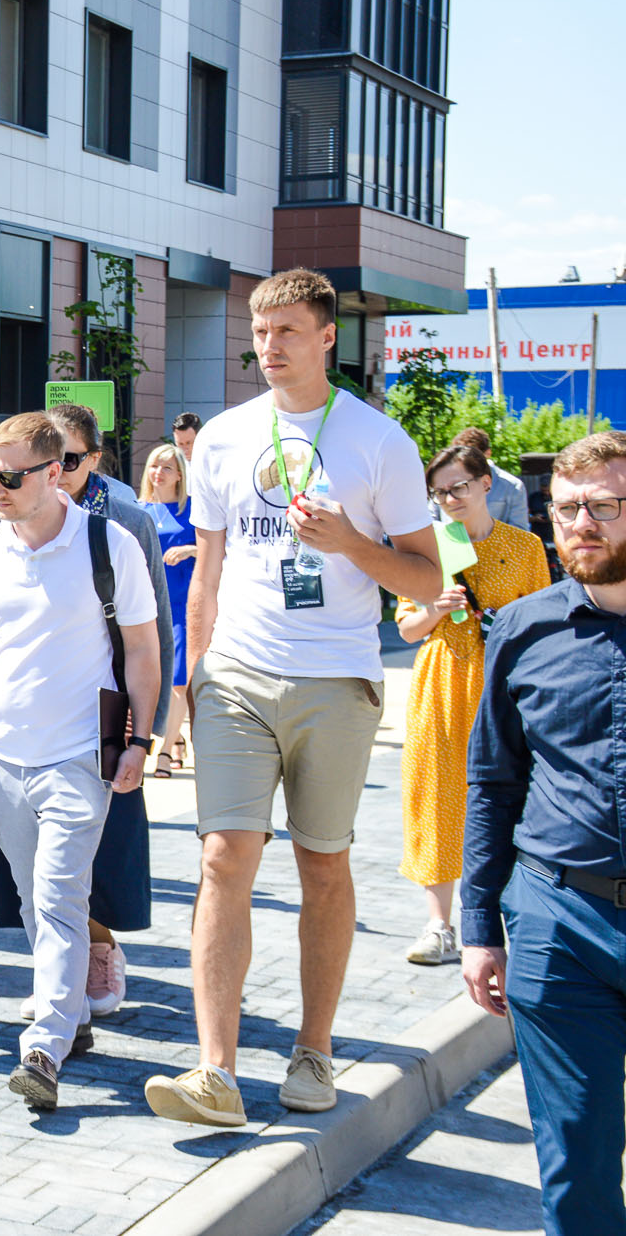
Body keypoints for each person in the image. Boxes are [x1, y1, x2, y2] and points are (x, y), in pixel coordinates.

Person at [144, 269, 442, 1126]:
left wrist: (351, 542)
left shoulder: (378, 442)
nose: (268, 349)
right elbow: (207, 569)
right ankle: (217, 1073)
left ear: (324, 339)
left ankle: (314, 1051)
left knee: (322, 864)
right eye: (258, 333)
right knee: (223, 858)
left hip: (338, 679)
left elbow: (426, 574)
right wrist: (194, 675)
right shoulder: (228, 440)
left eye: (285, 334)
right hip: (236, 673)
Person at [0, 412, 161, 1108]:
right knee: (36, 899)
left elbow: (145, 652)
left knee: (61, 896)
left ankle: (45, 1043)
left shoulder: (107, 543)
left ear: (54, 470)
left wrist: (143, 739)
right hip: (3, 754)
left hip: (78, 756)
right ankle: (72, 1015)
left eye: (9, 475)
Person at [462, 431, 626, 1236]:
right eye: (566, 509)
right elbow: (493, 784)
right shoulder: (521, 630)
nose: (581, 525)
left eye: (603, 506)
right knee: (577, 1165)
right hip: (560, 927)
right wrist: (478, 929)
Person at [5, 402, 171, 1017]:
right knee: (37, 860)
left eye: (70, 460)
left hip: (107, 711)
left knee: (104, 843)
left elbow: (152, 634)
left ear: (91, 461)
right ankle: (58, 974)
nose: (60, 471)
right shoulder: (10, 512)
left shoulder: (125, 520)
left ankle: (99, 952)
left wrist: (147, 728)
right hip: (29, 716)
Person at [395, 444, 548, 966]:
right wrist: (436, 609)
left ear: (487, 484)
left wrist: (500, 618)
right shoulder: (431, 546)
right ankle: (439, 924)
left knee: (507, 792)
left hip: (502, 685)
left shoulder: (525, 547)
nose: (450, 498)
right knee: (435, 793)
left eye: (459, 486)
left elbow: (542, 625)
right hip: (442, 681)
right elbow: (408, 628)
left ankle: (506, 912)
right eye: (439, 492)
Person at [139, 443, 197, 776]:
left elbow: (219, 551)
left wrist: (191, 550)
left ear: (179, 476)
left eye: (166, 468)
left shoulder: (191, 510)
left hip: (182, 605)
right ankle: (168, 740)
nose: (158, 473)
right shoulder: (139, 510)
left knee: (178, 681)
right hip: (145, 607)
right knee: (145, 678)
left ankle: (164, 752)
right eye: (153, 466)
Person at [449, 426, 531, 531]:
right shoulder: (444, 484)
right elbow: (431, 521)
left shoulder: (512, 486)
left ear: (488, 453)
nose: (465, 463)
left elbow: (520, 532)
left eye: (472, 457)